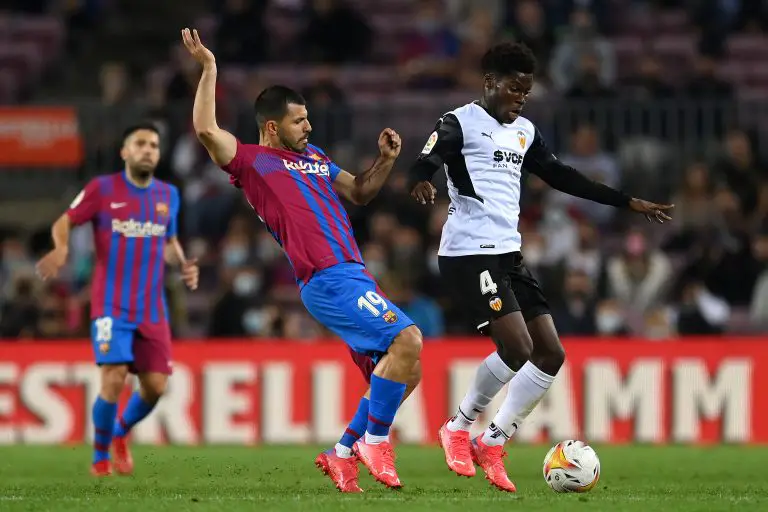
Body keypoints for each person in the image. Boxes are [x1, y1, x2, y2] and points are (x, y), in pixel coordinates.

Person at [408, 42, 673, 492]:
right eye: (514, 89)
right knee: (516, 346)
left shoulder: (524, 131)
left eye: (526, 92)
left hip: (508, 253)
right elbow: (426, 160)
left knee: (550, 353)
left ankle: (493, 442)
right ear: (490, 83)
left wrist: (627, 202)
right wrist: (420, 181)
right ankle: (458, 427)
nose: (521, 98)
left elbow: (563, 176)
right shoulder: (458, 122)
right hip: (468, 252)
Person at [181, 28, 423, 492]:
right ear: (273, 127)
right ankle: (374, 443)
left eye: (307, 119)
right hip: (327, 279)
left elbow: (360, 192)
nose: (308, 127)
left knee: (402, 373)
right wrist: (209, 69)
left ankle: (343, 453)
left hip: (356, 274)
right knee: (408, 340)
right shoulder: (252, 162)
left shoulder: (314, 156)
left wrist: (386, 160)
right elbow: (207, 131)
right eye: (299, 121)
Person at [35, 122, 200, 477]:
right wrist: (61, 248)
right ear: (125, 152)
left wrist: (184, 265)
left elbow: (169, 241)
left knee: (156, 387)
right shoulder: (102, 189)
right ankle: (99, 457)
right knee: (113, 376)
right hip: (111, 306)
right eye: (140, 143)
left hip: (152, 309)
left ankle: (121, 432)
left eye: (154, 145)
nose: (147, 150)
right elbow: (65, 221)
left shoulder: (168, 194)